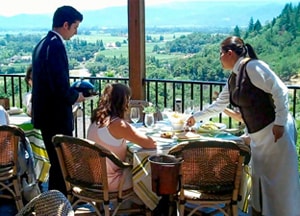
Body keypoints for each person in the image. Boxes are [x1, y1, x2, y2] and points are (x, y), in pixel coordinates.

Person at [187, 36, 300, 216]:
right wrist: (195, 117)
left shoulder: (254, 67)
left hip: (274, 133)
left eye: (220, 54)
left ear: (229, 53)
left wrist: (279, 123)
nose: (219, 58)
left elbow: (281, 91)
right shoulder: (234, 78)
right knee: (262, 183)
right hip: (258, 138)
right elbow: (219, 105)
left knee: (280, 185)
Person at [31, 6, 85, 195]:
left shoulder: (41, 44)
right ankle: (59, 203)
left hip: (45, 117)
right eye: (75, 26)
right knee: (62, 164)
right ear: (65, 24)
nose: (76, 31)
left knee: (57, 163)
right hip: (56, 118)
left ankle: (55, 202)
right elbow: (58, 84)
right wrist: (76, 96)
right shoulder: (55, 45)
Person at [87, 83, 156, 192]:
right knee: (149, 173)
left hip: (91, 177)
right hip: (110, 181)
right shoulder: (117, 124)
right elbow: (151, 144)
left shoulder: (97, 119)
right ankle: (152, 206)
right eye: (128, 99)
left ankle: (134, 205)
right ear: (123, 102)